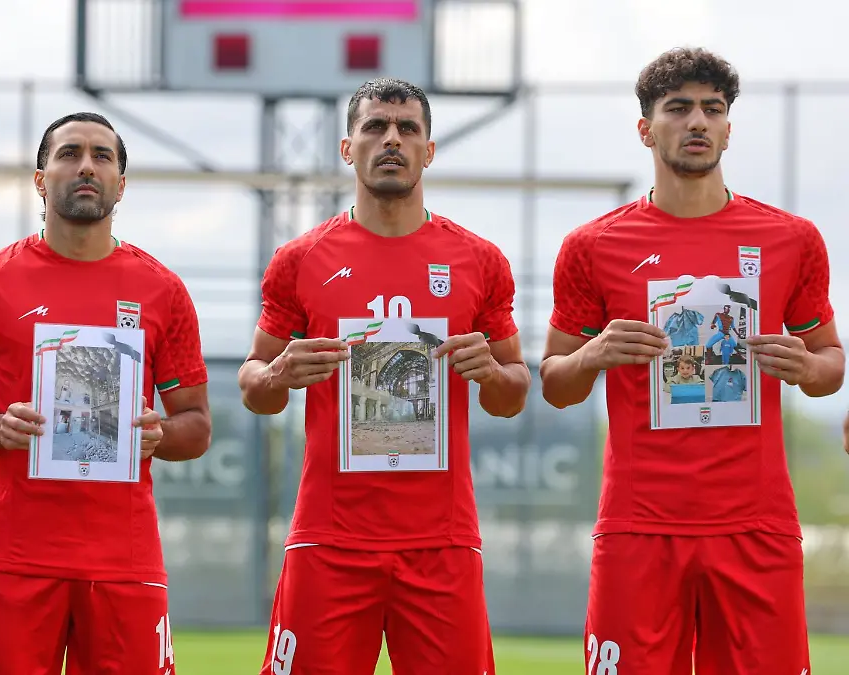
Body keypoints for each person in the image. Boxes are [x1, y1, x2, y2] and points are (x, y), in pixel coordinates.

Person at [541, 47, 844, 675]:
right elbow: (555, 384)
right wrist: (595, 354)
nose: (698, 122)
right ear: (647, 129)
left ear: (729, 127)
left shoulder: (791, 238)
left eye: (713, 108)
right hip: (638, 527)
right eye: (678, 108)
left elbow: (830, 367)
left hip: (756, 525)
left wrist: (806, 367)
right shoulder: (592, 246)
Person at [238, 77, 530, 675]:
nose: (391, 140)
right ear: (348, 148)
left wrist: (490, 375)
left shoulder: (478, 261)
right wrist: (278, 375)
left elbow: (513, 394)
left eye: (407, 129)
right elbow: (254, 386)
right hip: (330, 539)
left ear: (429, 149)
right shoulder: (301, 260)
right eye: (374, 127)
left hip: (441, 543)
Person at [0, 111, 212, 675]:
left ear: (121, 184)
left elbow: (197, 426)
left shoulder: (162, 291)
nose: (86, 166)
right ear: (40, 177)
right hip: (17, 559)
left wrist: (160, 434)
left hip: (125, 561)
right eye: (69, 154)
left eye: (102, 157)